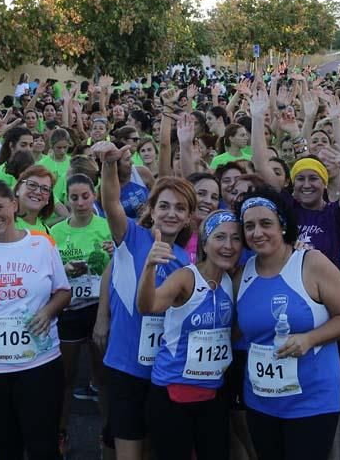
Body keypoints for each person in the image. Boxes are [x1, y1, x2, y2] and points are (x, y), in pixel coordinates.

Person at [234, 187, 340, 460]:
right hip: (260, 399)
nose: (257, 233)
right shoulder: (242, 274)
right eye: (249, 226)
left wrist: (309, 338)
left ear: (283, 225)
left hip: (312, 399)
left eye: (266, 223)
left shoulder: (311, 262)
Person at [0, 180, 71, 460]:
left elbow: (64, 292)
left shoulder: (42, 244)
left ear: (14, 205)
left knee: (43, 446)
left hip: (40, 363)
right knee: (5, 448)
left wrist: (48, 310)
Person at [96, 140, 194, 460]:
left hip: (164, 371)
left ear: (188, 217)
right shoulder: (131, 237)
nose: (171, 213)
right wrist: (109, 165)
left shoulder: (184, 260)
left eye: (180, 208)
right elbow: (111, 201)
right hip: (125, 367)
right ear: (151, 209)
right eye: (164, 205)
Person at [137, 210, 242, 459]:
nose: (228, 246)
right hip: (173, 392)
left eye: (236, 238)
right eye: (220, 237)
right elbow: (148, 306)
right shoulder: (186, 277)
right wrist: (150, 267)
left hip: (213, 392)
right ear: (205, 242)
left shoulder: (233, 280)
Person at [50, 173, 114, 455]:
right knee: (65, 378)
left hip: (101, 309)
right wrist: (66, 270)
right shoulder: (55, 232)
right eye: (73, 197)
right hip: (69, 311)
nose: (79, 203)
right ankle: (60, 433)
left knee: (103, 378)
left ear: (94, 197)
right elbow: (49, 275)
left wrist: (117, 252)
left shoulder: (108, 227)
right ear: (66, 198)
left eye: (85, 196)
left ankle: (109, 435)